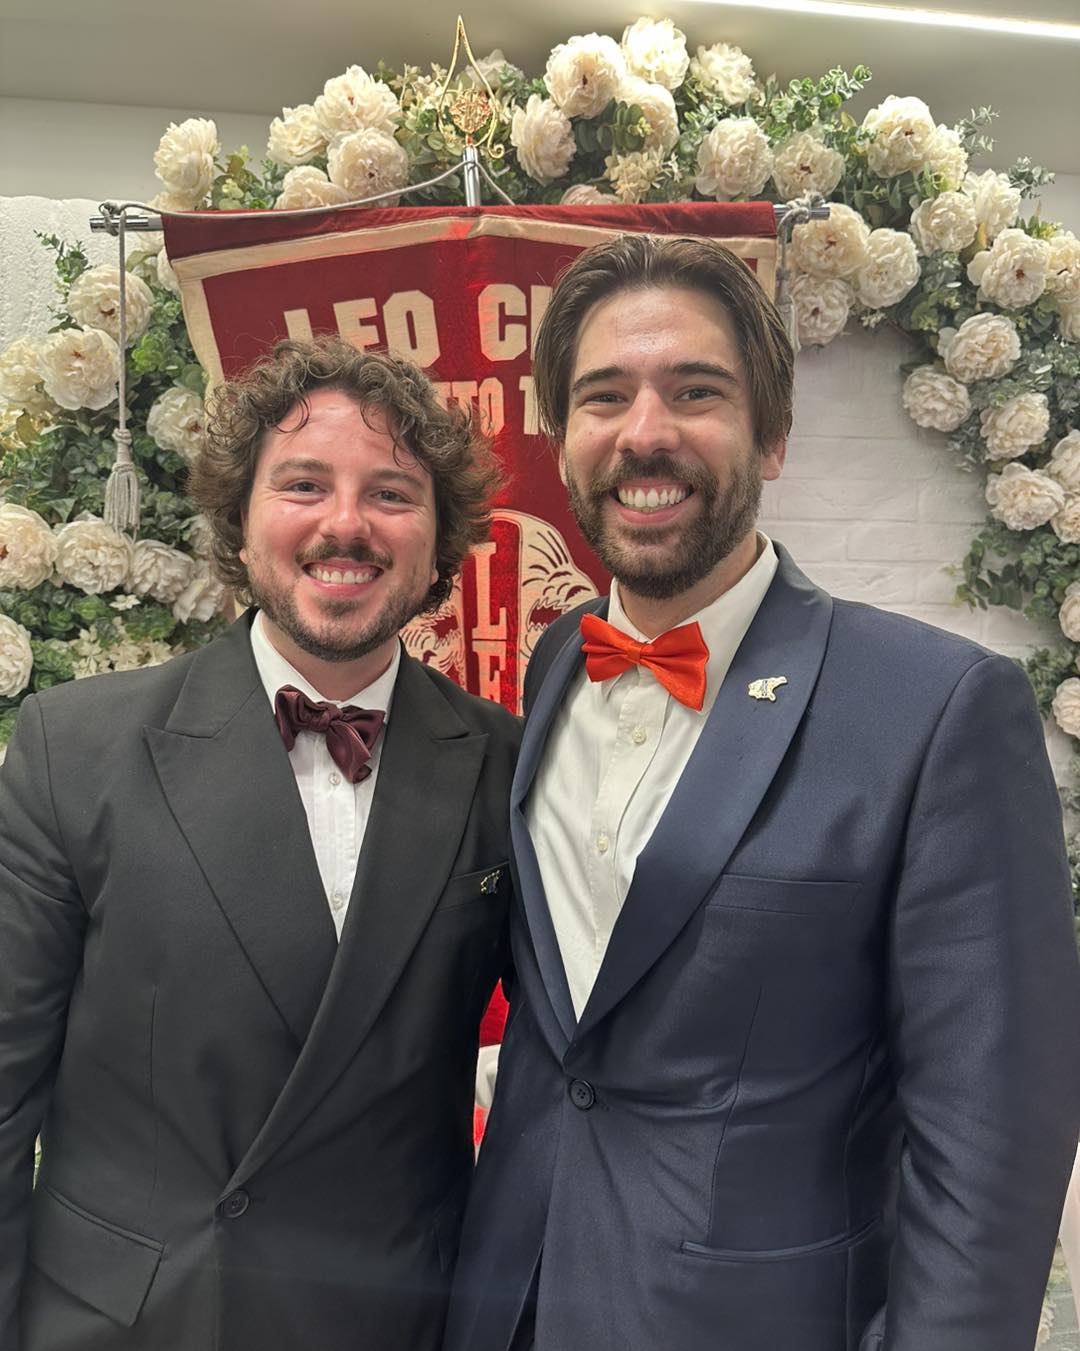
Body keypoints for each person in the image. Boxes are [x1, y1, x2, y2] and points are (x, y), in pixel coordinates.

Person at [444, 235, 1080, 1351]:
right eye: (604, 396)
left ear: (773, 435)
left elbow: (994, 1136)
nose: (645, 432)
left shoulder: (937, 708)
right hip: (508, 1297)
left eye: (696, 392)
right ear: (564, 437)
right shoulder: (556, 662)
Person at [0, 337, 520, 1351]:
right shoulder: (76, 746)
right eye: (303, 484)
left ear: (439, 544)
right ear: (238, 524)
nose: (345, 523)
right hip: (131, 1325)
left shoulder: (504, 763)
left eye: (391, 494)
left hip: (393, 1320)